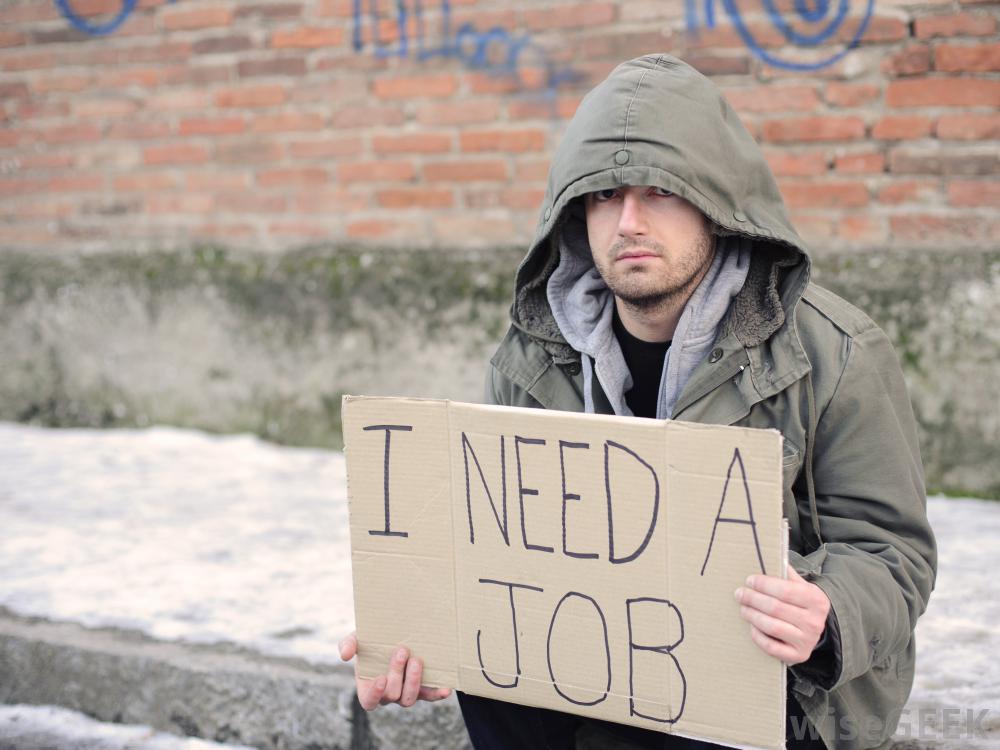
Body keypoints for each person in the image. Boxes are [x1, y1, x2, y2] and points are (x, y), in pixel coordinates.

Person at [340, 53, 937, 749]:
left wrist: (826, 612)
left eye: (659, 192)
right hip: (591, 667)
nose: (627, 222)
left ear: (719, 204)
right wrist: (426, 632)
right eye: (603, 195)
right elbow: (494, 552)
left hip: (775, 690)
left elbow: (893, 552)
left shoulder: (837, 352)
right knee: (494, 687)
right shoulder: (533, 355)